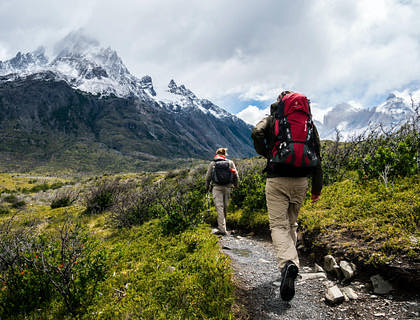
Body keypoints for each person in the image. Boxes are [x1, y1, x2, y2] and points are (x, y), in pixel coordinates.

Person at [251, 90, 322, 301]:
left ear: (280, 102)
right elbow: (317, 153)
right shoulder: (308, 122)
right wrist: (316, 188)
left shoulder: (273, 118)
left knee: (278, 226)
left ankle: (288, 264)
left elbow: (256, 132)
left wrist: (267, 153)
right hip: (301, 180)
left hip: (277, 178)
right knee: (291, 224)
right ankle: (291, 264)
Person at [205, 148, 239, 235]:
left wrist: (207, 187)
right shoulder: (230, 163)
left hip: (216, 188)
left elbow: (208, 177)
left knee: (219, 207)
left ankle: (222, 229)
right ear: (225, 154)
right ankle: (223, 227)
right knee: (225, 206)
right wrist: (235, 185)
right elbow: (236, 175)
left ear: (217, 154)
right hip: (227, 187)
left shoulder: (213, 163)